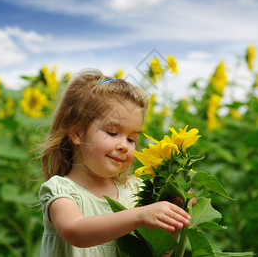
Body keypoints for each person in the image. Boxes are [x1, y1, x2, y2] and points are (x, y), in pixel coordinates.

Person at [38, 69, 191, 257]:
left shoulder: (136, 191)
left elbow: (158, 253)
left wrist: (173, 216)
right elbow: (75, 232)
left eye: (131, 139)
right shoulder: (62, 191)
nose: (124, 146)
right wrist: (139, 216)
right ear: (77, 133)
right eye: (112, 133)